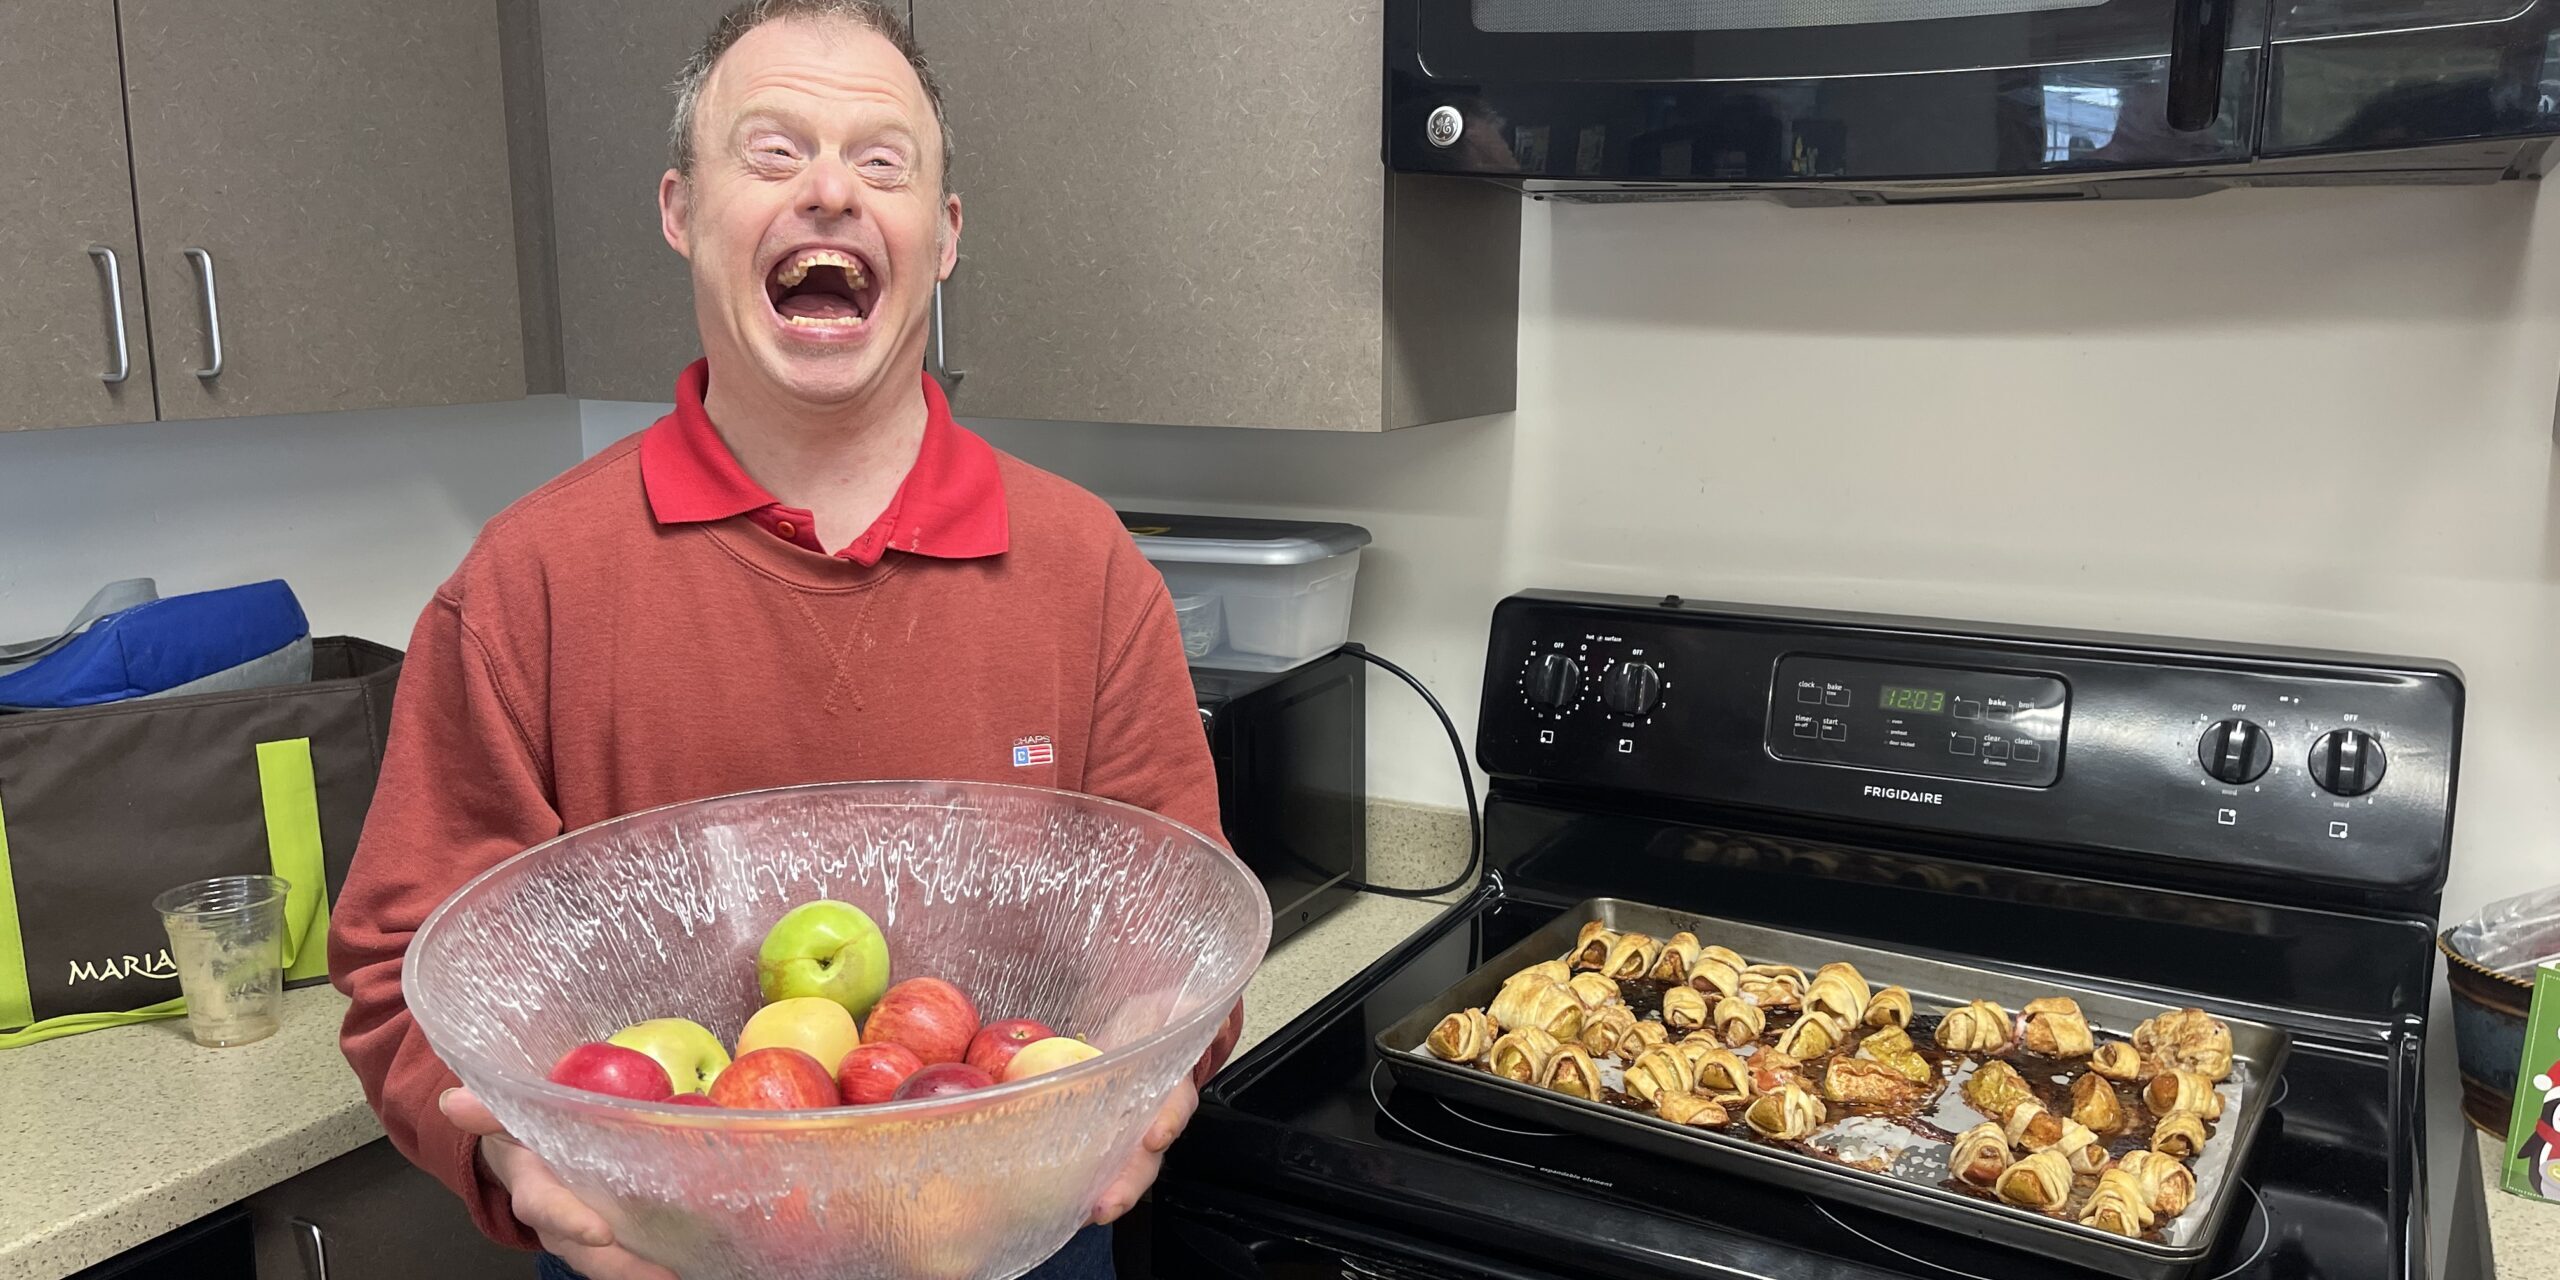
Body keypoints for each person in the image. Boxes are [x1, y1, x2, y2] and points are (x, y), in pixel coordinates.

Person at [326, 3, 1242, 1277]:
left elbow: (1174, 928)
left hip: (1006, 1241)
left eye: (883, 162)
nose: (828, 192)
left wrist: (1160, 1068)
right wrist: (506, 1154)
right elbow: (401, 956)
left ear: (944, 235)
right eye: (770, 152)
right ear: (679, 210)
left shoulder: (1085, 571)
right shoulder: (526, 586)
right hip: (654, 1245)